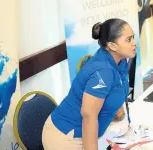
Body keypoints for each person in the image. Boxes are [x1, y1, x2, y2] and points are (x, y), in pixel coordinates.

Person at [42, 19, 136, 149]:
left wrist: (120, 116)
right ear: (112, 46)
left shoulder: (119, 61)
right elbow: (89, 115)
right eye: (128, 40)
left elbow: (117, 88)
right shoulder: (103, 71)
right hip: (67, 137)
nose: (134, 43)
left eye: (133, 38)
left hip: (86, 132)